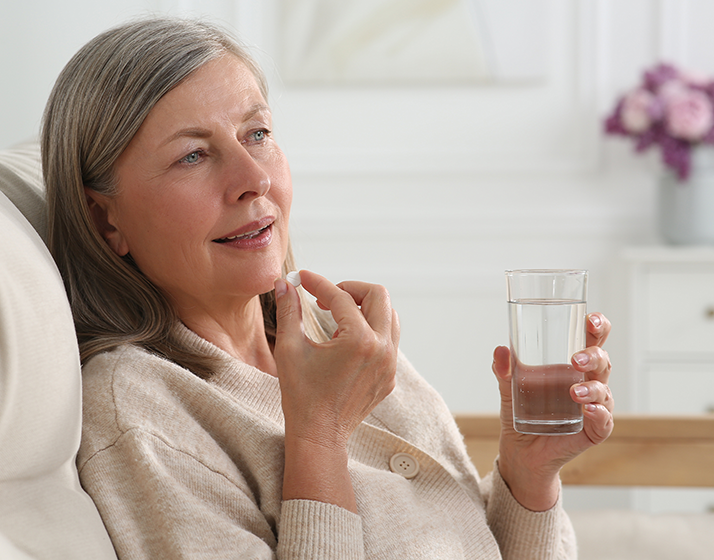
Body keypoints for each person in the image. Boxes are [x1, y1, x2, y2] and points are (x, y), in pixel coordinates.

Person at [41, 16, 614, 560]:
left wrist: (529, 475)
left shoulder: (337, 338)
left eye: (257, 134)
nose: (254, 178)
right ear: (105, 221)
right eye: (193, 155)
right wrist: (318, 434)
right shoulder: (138, 409)